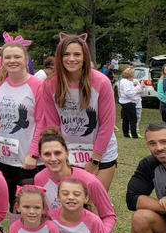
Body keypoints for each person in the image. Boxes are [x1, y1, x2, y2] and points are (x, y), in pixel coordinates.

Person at [37, 33, 117, 191]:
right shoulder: (49, 85)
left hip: (101, 154)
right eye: (66, 54)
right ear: (59, 57)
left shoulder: (101, 82)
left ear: (85, 57)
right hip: (68, 154)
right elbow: (54, 126)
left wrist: (95, 159)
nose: (71, 59)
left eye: (77, 54)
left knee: (95, 204)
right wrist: (60, 156)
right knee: (70, 202)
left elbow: (107, 124)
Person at [0, 42, 43, 207]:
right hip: (2, 157)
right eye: (7, 57)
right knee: (11, 203)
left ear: (25, 59)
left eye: (17, 56)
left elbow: (42, 122)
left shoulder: (37, 85)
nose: (12, 61)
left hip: (28, 161)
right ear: (2, 61)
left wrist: (33, 154)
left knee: (30, 205)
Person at [34, 129, 116, 233]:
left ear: (67, 153)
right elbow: (44, 213)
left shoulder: (89, 181)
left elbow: (109, 216)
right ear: (40, 156)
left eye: (58, 153)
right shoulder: (39, 179)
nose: (53, 158)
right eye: (47, 154)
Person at [118, 67, 142, 138]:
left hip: (124, 102)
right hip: (129, 102)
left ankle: (126, 134)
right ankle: (134, 134)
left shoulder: (122, 81)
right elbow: (128, 92)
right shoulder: (126, 82)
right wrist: (136, 92)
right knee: (133, 119)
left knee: (126, 119)